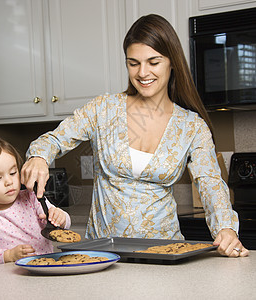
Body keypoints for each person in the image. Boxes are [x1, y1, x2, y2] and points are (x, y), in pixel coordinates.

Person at [21, 14, 248, 257]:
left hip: (164, 254)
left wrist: (226, 229)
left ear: (172, 62)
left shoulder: (192, 126)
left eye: (153, 62)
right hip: (101, 254)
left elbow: (211, 184)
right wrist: (39, 156)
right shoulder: (103, 109)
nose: (142, 72)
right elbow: (53, 140)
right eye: (133, 63)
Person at [0, 134, 71, 268]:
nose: (9, 182)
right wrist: (8, 255)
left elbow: (64, 225)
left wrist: (61, 218)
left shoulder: (31, 198)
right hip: (7, 281)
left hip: (45, 272)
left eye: (13, 173)